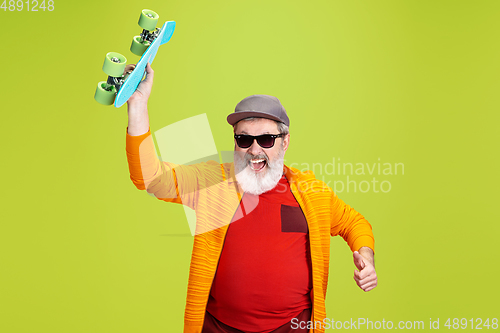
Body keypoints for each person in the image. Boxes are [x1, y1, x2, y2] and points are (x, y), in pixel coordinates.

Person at [125, 63, 378, 333]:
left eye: (267, 139)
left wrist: (366, 257)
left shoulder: (311, 192)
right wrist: (138, 106)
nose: (254, 150)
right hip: (219, 327)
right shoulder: (212, 182)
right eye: (244, 140)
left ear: (285, 141)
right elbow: (150, 178)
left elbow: (355, 223)